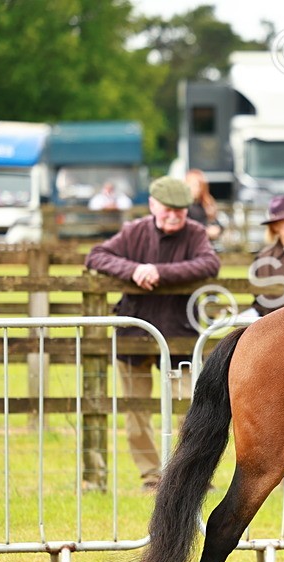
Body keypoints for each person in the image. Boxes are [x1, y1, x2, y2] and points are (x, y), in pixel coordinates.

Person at [85, 176, 220, 491]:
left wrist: (161, 273)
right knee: (137, 411)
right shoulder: (134, 231)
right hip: (134, 332)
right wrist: (133, 270)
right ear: (153, 205)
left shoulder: (196, 234)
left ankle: (188, 475)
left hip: (180, 335)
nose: (174, 216)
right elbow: (96, 255)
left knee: (190, 408)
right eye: (168, 210)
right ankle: (151, 475)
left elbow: (209, 263)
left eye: (181, 211)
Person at [184, 169, 224, 244]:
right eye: (191, 185)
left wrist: (217, 229)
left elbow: (216, 222)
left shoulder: (207, 203)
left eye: (197, 185)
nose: (194, 189)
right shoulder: (184, 206)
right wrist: (206, 232)